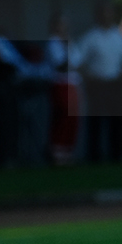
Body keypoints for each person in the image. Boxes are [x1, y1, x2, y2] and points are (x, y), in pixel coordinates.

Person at [77, 1, 122, 163]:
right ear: (98, 16)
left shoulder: (120, 36)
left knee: (117, 121)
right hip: (97, 84)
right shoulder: (90, 37)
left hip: (115, 84)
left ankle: (117, 155)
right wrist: (88, 77)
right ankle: (95, 156)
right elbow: (79, 62)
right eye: (103, 13)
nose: (107, 16)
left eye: (109, 12)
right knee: (96, 122)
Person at [45, 12, 82, 166]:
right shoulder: (52, 43)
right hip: (61, 84)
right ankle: (57, 153)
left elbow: (79, 63)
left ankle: (67, 152)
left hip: (73, 83)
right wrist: (67, 52)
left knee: (73, 119)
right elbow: (61, 65)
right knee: (63, 117)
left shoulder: (69, 42)